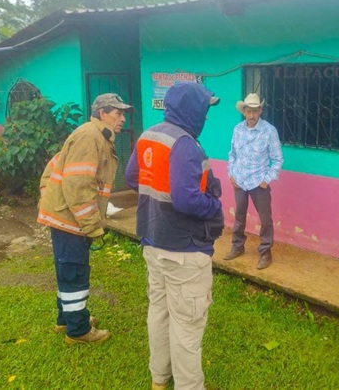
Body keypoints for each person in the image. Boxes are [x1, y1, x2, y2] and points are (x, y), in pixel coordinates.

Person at [126, 82, 224, 390]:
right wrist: (215, 206)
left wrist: (157, 197)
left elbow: (132, 177)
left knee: (159, 311)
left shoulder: (150, 135)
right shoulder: (185, 143)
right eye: (203, 109)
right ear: (190, 108)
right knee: (187, 326)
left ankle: (159, 378)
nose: (205, 116)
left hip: (153, 241)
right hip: (184, 249)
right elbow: (186, 200)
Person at [37, 93, 132, 345]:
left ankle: (66, 319)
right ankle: (78, 330)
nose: (122, 119)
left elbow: (54, 167)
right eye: (118, 113)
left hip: (67, 217)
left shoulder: (93, 135)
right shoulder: (90, 137)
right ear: (103, 114)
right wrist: (92, 227)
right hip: (71, 221)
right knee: (75, 273)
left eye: (123, 114)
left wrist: (50, 199)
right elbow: (79, 186)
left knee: (67, 269)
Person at [224, 93, 283, 270]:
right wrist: (231, 173)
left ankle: (265, 252)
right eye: (248, 111)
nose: (251, 115)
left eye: (255, 111)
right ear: (243, 112)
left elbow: (278, 159)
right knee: (239, 216)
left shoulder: (269, 131)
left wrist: (267, 179)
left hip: (259, 183)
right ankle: (237, 246)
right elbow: (232, 154)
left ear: (260, 111)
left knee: (265, 219)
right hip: (240, 180)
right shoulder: (238, 129)